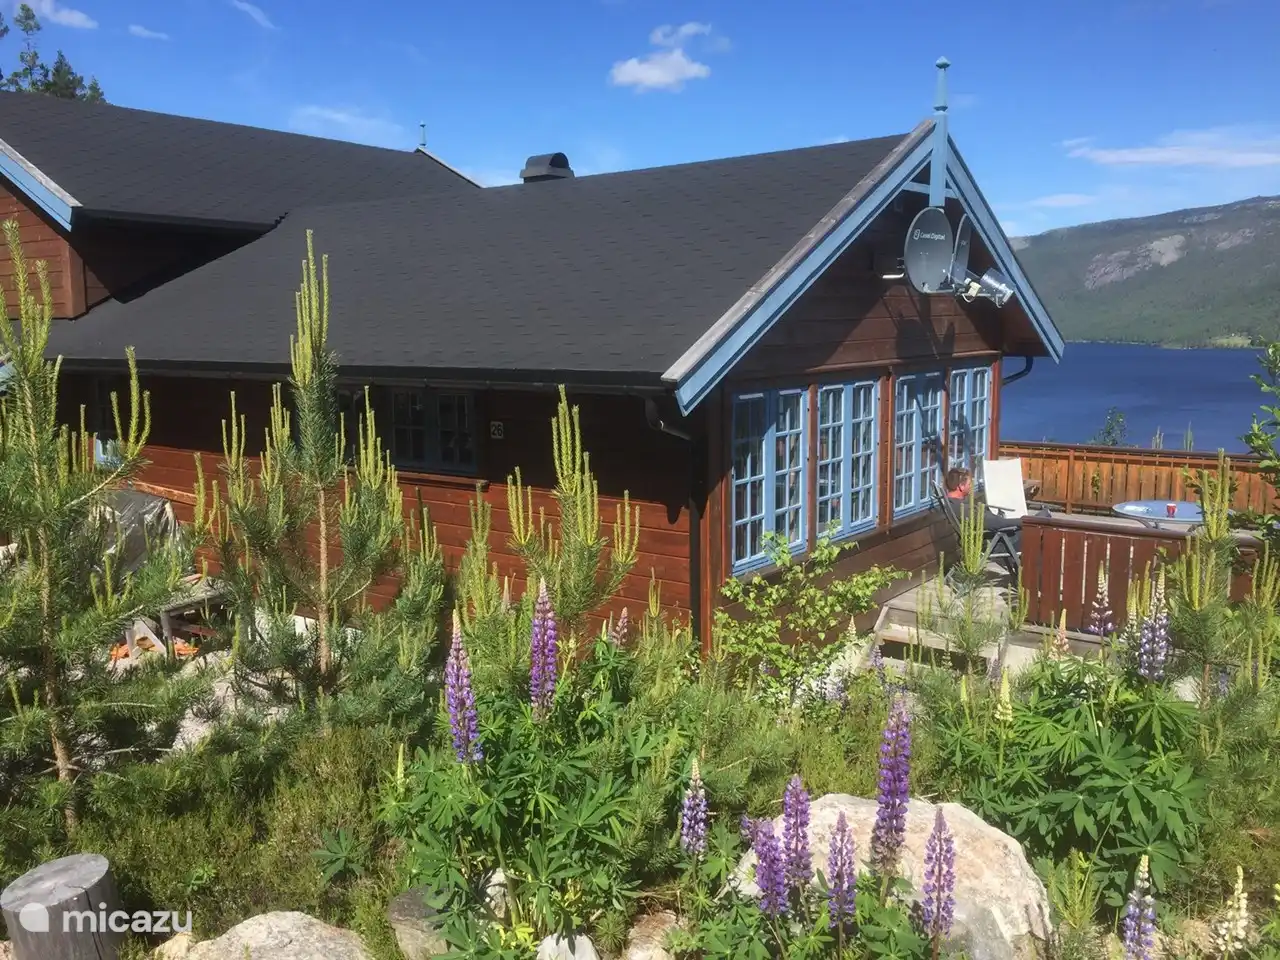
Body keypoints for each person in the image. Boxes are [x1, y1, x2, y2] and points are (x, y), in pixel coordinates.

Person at [943, 466, 1047, 553]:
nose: (971, 487)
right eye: (969, 484)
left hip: (996, 535)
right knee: (1042, 524)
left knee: (1042, 519)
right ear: (961, 486)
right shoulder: (962, 509)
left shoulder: (955, 503)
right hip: (998, 541)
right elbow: (995, 523)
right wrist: (1022, 521)